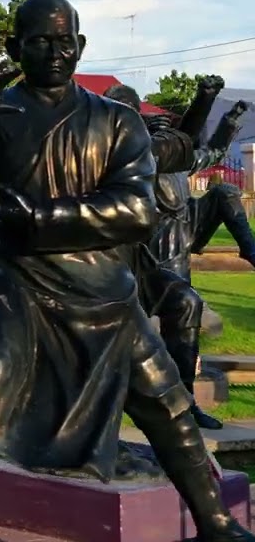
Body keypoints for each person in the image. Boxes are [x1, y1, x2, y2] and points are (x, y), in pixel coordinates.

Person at [0, 0, 254, 542]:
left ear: (80, 45)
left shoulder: (116, 121)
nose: (56, 52)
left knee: (166, 401)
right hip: (17, 285)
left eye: (66, 41)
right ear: (14, 47)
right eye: (40, 42)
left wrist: (38, 214)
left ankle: (216, 521)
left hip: (104, 291)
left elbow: (137, 210)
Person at [104, 80, 251, 431]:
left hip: (180, 240)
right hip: (139, 259)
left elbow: (206, 150)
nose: (163, 131)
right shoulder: (126, 156)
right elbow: (185, 136)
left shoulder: (176, 163)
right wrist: (204, 99)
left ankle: (184, 405)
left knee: (187, 302)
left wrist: (224, 116)